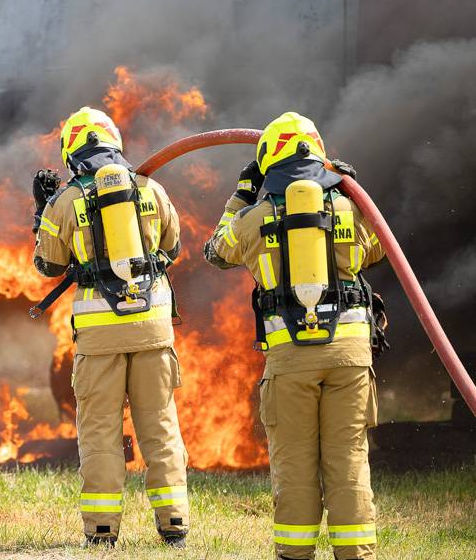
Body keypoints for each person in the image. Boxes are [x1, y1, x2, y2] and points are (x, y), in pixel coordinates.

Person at [203, 112, 386, 560]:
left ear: (270, 164)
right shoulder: (345, 207)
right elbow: (379, 248)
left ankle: (295, 553)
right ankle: (356, 554)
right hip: (349, 356)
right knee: (347, 459)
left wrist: (242, 194)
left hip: (290, 359)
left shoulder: (254, 218)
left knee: (295, 463)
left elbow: (217, 251)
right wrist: (350, 192)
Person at [31, 107, 188, 547]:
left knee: (100, 431)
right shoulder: (150, 188)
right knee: (159, 425)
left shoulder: (67, 200)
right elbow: (173, 247)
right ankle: (174, 525)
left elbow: (48, 263)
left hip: (99, 338)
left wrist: (41, 208)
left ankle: (101, 532)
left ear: (71, 152)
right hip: (154, 331)